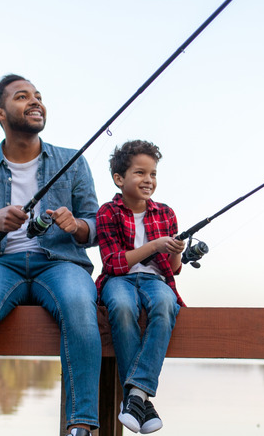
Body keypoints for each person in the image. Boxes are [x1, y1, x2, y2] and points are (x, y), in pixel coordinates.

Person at [0, 74, 101, 436]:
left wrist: (74, 225)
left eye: (39, 96)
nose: (35, 102)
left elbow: (94, 228)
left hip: (61, 264)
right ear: (0, 113)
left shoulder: (73, 162)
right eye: (22, 96)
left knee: (80, 301)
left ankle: (82, 426)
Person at [95, 140, 186, 434]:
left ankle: (134, 396)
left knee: (165, 304)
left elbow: (171, 270)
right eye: (140, 173)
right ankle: (142, 401)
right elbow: (113, 264)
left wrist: (176, 250)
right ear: (119, 179)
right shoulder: (107, 212)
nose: (148, 180)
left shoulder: (166, 213)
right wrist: (155, 245)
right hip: (118, 280)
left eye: (153, 174)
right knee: (121, 307)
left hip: (155, 281)